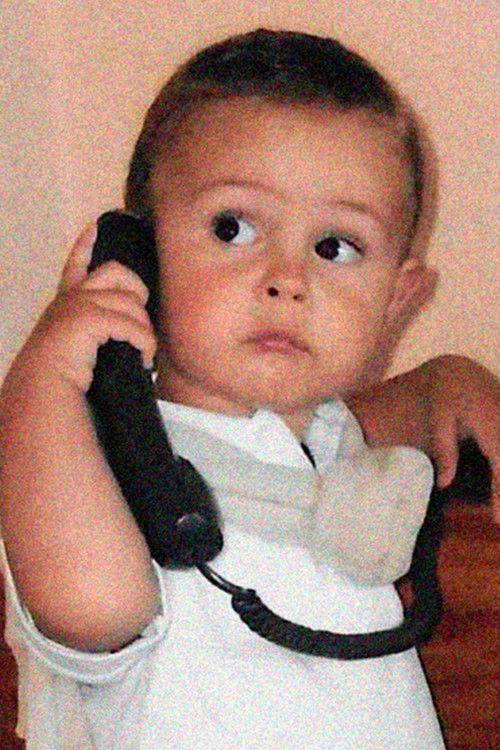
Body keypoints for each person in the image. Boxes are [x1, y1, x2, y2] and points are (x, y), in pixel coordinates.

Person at [0, 29, 498, 749]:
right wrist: (39, 382)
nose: (288, 279)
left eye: (335, 247)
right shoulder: (90, 468)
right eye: (233, 228)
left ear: (395, 300)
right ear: (137, 257)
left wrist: (445, 383)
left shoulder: (326, 440)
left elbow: (324, 439)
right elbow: (95, 610)